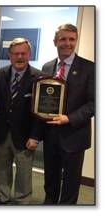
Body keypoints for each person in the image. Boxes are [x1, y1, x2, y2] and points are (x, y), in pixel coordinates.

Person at [41, 23, 95, 204]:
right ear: (55, 41)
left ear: (76, 41)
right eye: (63, 39)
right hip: (50, 134)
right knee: (50, 179)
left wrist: (69, 118)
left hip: (74, 135)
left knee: (71, 184)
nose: (67, 43)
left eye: (72, 39)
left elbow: (95, 103)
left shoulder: (90, 68)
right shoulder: (47, 67)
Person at [0, 38, 42, 204]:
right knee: (2, 169)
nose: (19, 57)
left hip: (25, 136)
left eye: (23, 53)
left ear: (30, 54)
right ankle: (3, 196)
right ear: (9, 55)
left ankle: (22, 201)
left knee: (24, 172)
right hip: (1, 132)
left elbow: (40, 113)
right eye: (15, 53)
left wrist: (35, 136)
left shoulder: (39, 77)